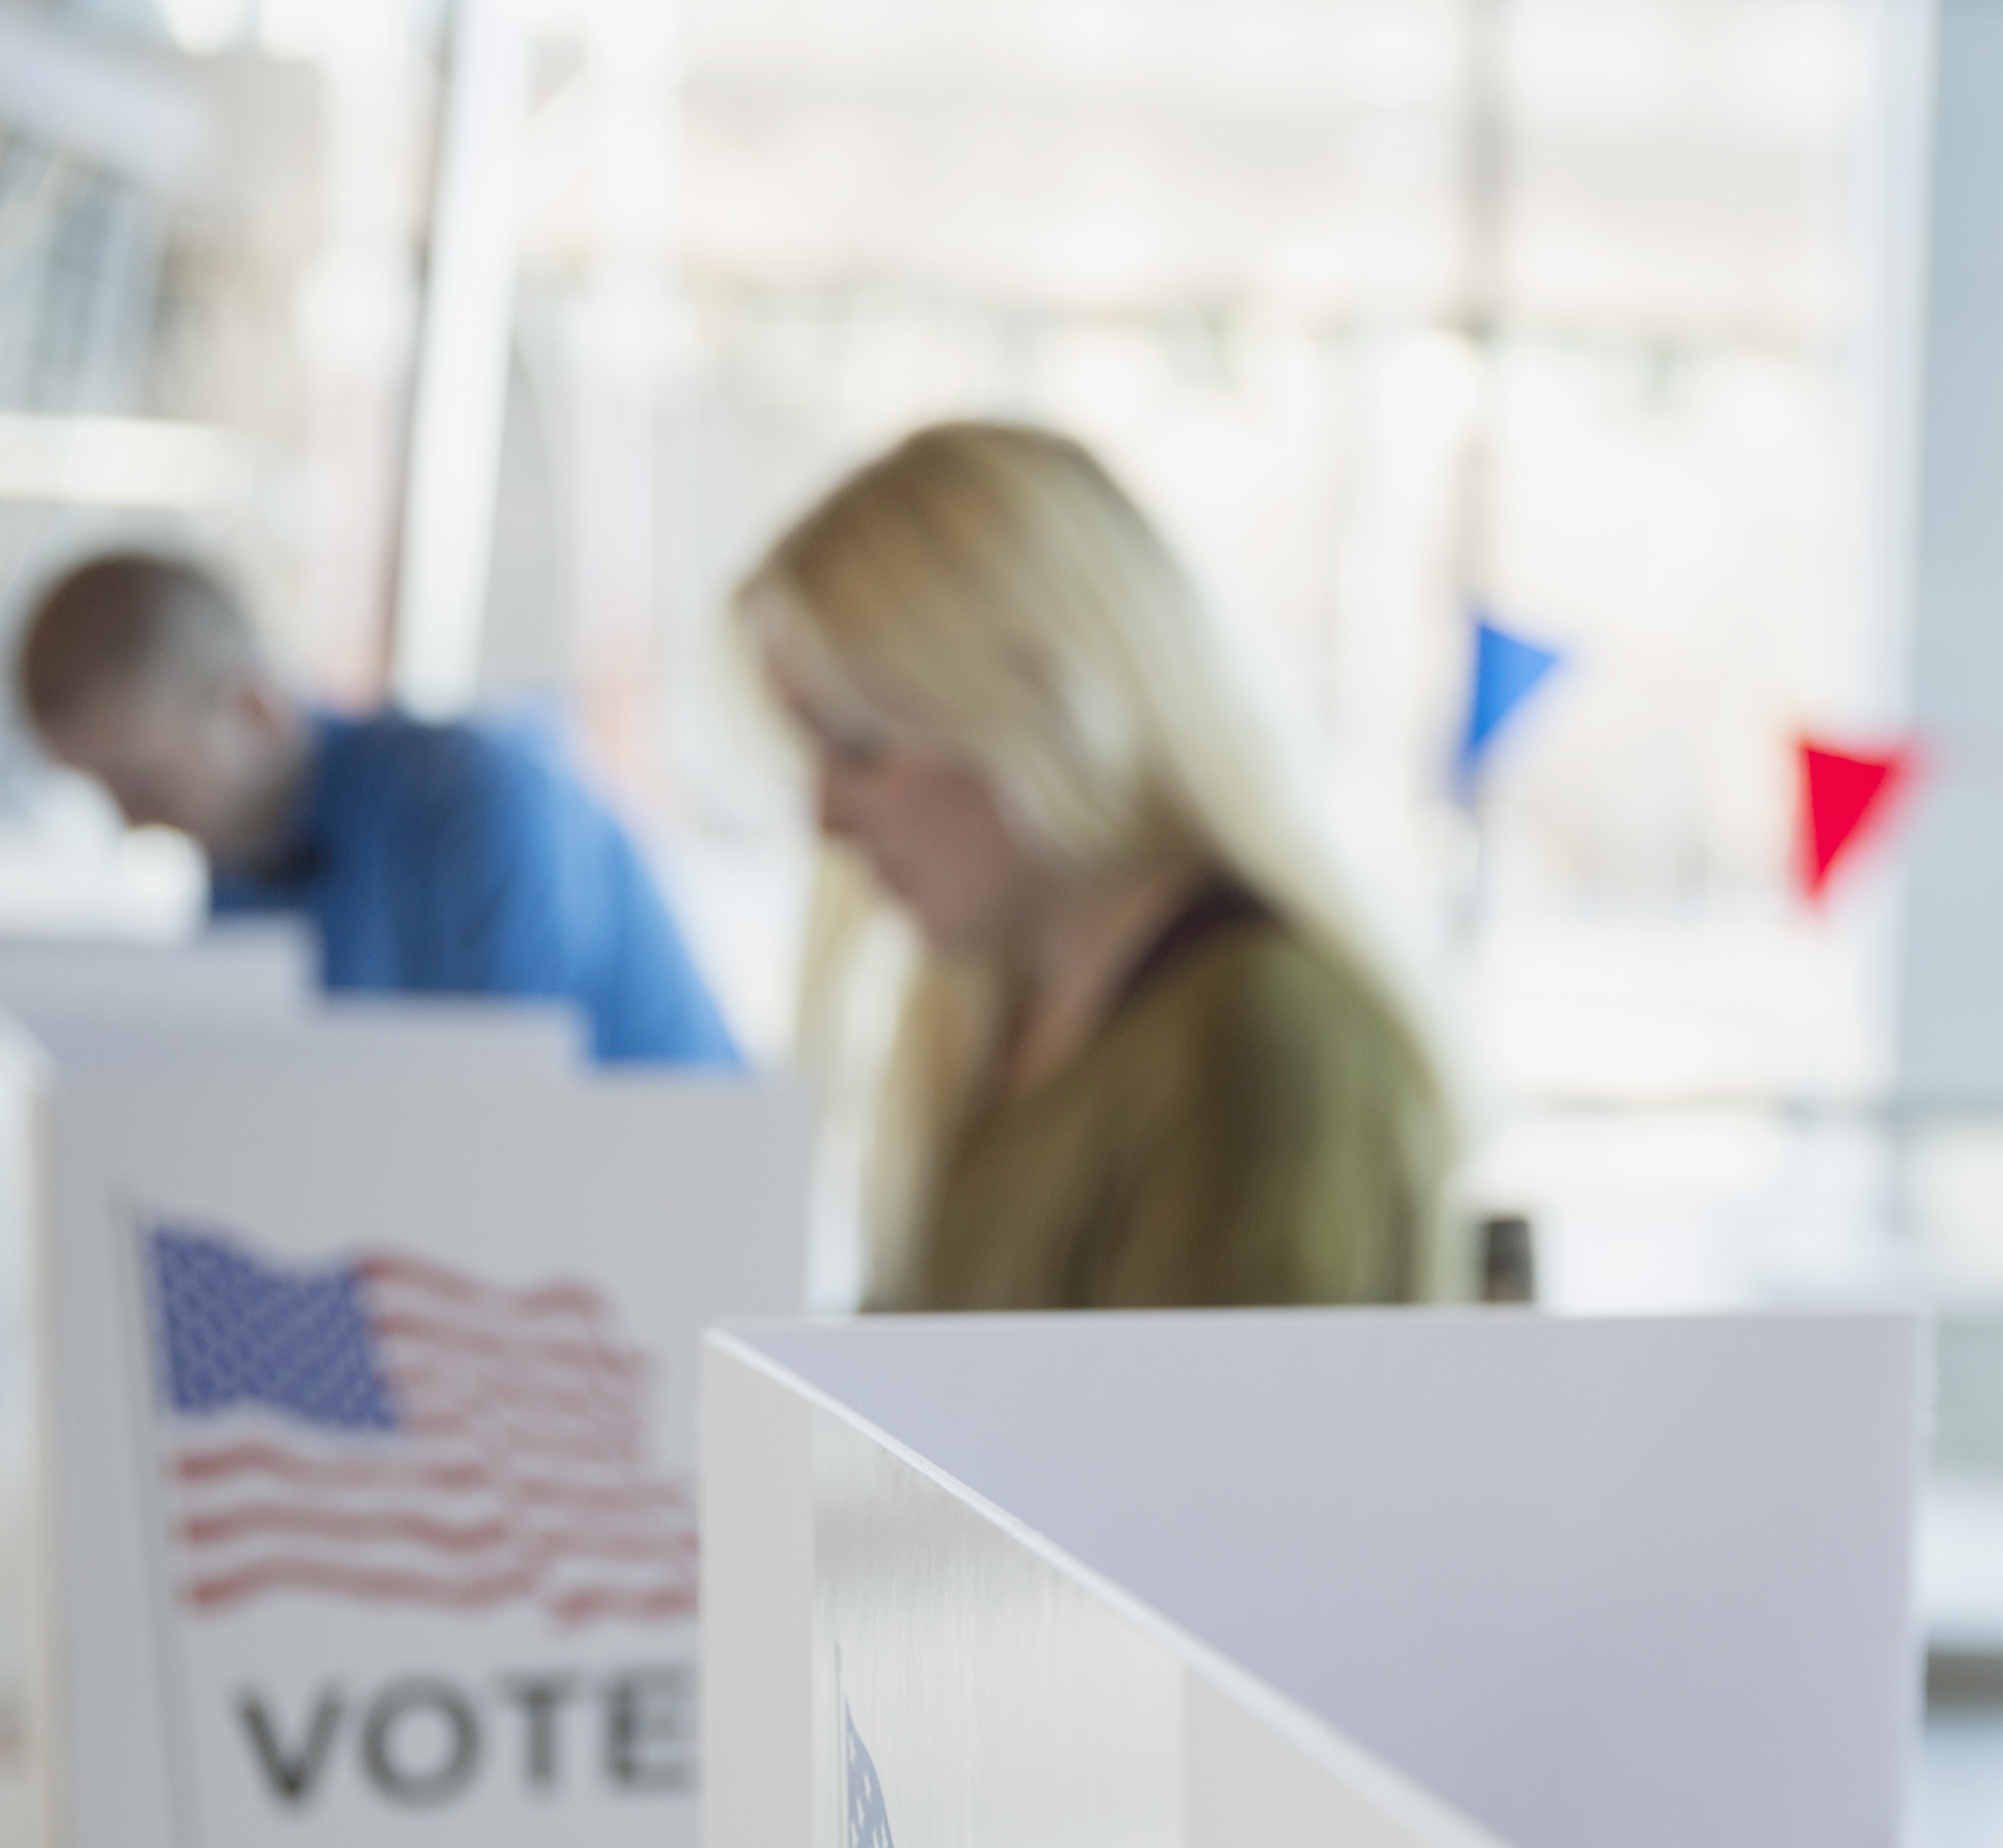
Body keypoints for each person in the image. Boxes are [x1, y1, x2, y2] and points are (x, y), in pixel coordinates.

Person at [741, 421, 1450, 1311]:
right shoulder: (992, 1027)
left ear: (1046, 705)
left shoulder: (1257, 1044)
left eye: (859, 746)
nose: (827, 817)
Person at [15, 552, 740, 1064]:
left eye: (144, 783)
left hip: (669, 1215)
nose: (132, 823)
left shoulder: (481, 805)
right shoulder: (240, 859)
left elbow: (492, 1119)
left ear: (254, 708)